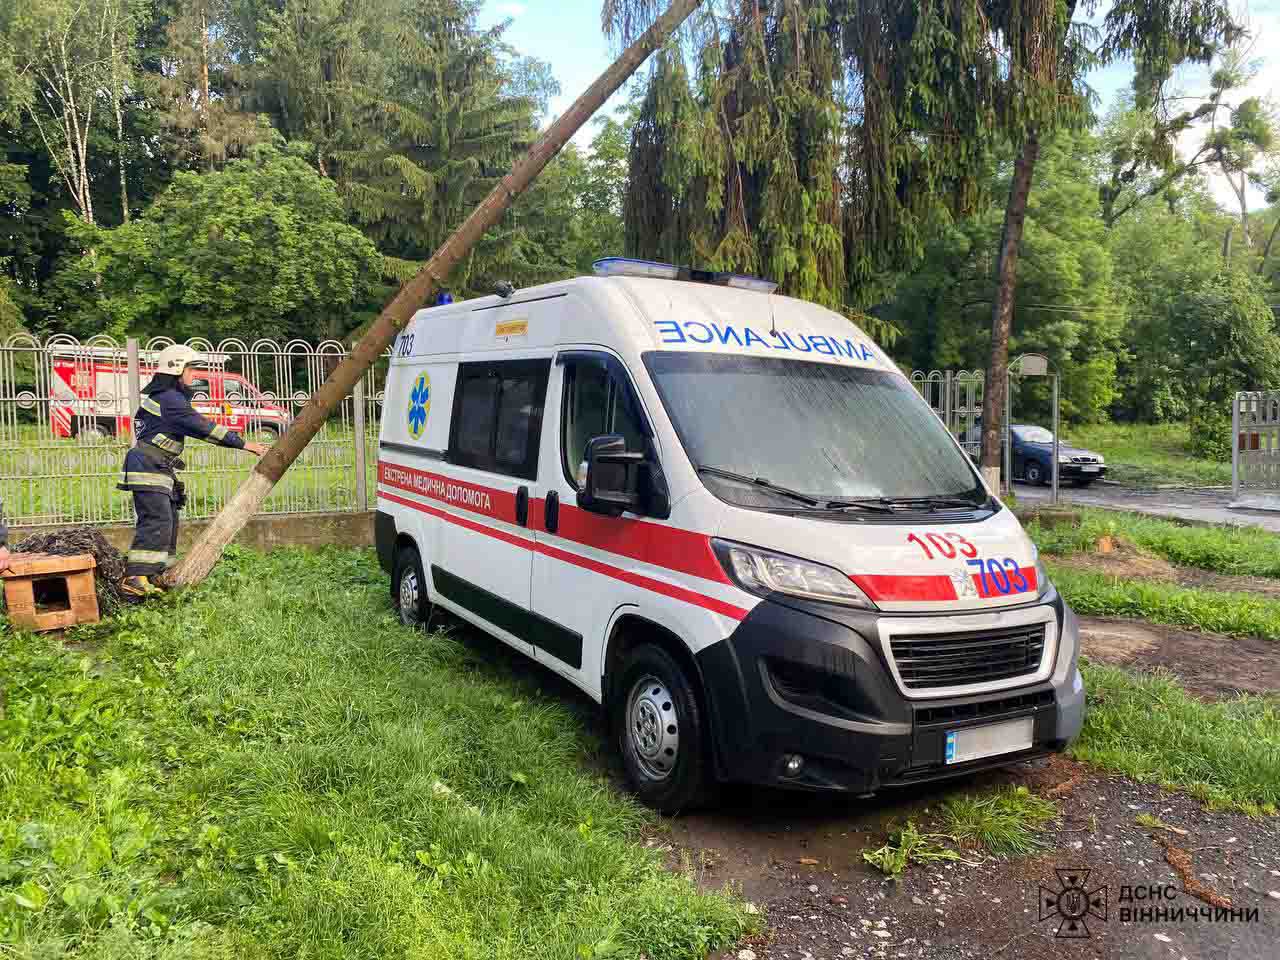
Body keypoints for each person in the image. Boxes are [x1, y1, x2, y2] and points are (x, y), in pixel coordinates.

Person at [119, 345, 268, 597]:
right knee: (157, 521)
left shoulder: (166, 398)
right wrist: (245, 444)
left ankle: (154, 575)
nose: (194, 375)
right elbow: (204, 428)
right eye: (191, 369)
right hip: (149, 466)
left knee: (168, 521)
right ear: (177, 369)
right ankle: (134, 579)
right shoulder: (170, 400)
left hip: (156, 466)